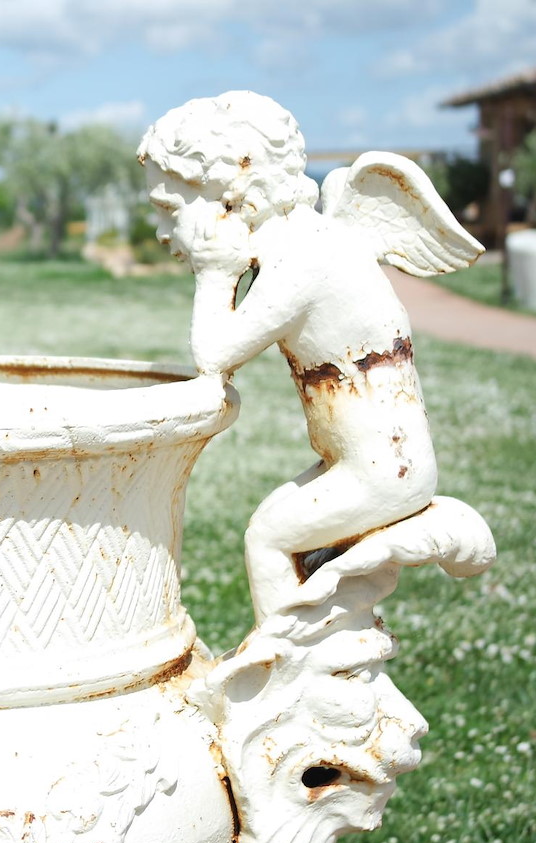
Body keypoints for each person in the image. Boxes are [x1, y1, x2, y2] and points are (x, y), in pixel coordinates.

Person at [138, 92, 478, 621]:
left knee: (268, 539)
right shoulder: (311, 240)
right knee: (277, 520)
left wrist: (215, 272)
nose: (161, 232)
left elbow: (214, 356)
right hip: (368, 463)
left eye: (170, 209)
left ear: (232, 194)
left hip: (384, 472)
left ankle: (286, 661)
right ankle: (319, 638)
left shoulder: (305, 258)